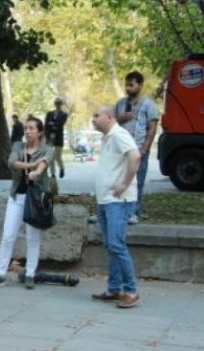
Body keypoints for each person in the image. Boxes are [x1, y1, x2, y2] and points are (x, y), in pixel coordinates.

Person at [0, 116, 52, 290]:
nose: (28, 131)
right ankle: (0, 273)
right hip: (17, 197)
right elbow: (12, 162)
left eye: (32, 128)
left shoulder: (47, 148)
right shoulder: (18, 146)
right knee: (8, 235)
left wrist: (37, 171)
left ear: (40, 132)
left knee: (33, 238)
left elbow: (44, 163)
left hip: (35, 200)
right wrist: (31, 165)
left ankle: (31, 274)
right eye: (26, 128)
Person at [90, 106, 141, 308]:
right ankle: (114, 288)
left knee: (116, 245)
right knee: (111, 245)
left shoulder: (119, 134)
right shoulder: (108, 137)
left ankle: (131, 291)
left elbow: (135, 156)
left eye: (96, 115)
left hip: (118, 201)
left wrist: (124, 184)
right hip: (106, 200)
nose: (93, 119)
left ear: (109, 117)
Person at [115, 71, 159, 225]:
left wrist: (144, 149)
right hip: (121, 150)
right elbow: (112, 122)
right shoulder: (121, 103)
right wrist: (121, 117)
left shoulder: (149, 104)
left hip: (138, 149)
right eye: (126, 85)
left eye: (131, 85)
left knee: (136, 181)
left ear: (140, 85)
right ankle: (117, 210)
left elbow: (152, 128)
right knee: (119, 179)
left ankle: (134, 212)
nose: (128, 88)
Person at [45, 97, 69, 178]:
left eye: (59, 103)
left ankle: (61, 168)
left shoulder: (64, 114)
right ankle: (53, 173)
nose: (57, 105)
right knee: (50, 156)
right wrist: (48, 132)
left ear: (61, 104)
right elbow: (46, 125)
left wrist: (52, 124)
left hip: (58, 138)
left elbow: (60, 124)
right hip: (49, 137)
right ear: (54, 104)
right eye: (56, 103)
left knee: (57, 156)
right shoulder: (49, 114)